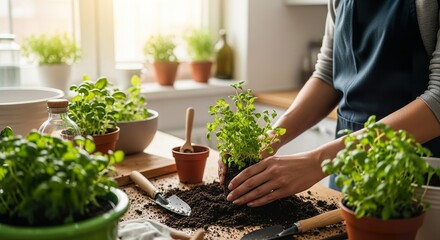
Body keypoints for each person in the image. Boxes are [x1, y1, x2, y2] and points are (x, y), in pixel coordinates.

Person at [220, 0, 440, 208]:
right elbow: (327, 75)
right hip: (343, 169)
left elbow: (437, 100)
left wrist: (318, 161)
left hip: (415, 175)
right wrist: (268, 139)